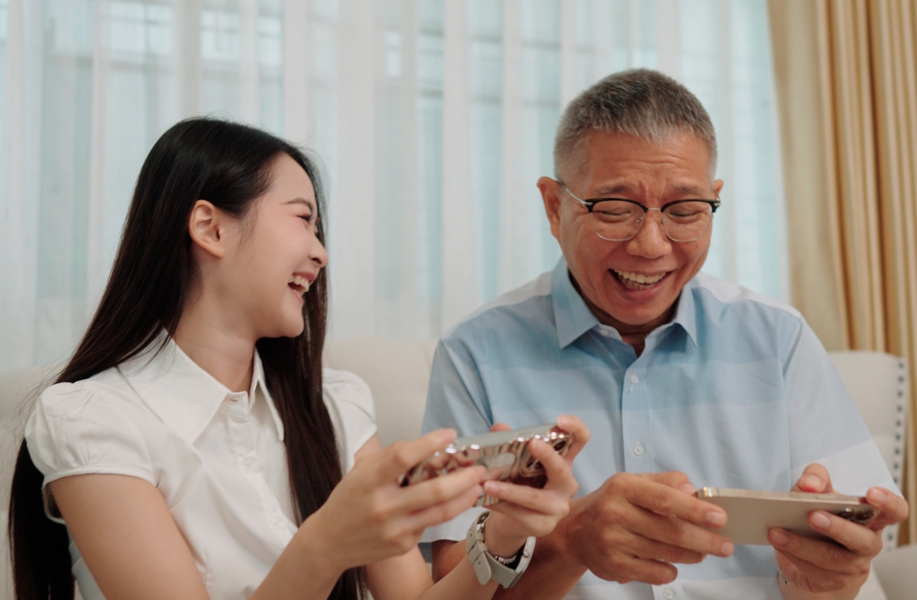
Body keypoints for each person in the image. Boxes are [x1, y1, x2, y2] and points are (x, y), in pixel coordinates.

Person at [7, 118, 590, 600]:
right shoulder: (89, 418)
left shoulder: (336, 404)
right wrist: (327, 543)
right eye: (303, 219)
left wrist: (502, 535)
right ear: (210, 227)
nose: (321, 253)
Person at [421, 69, 909, 600]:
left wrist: (824, 573)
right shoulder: (474, 354)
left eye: (684, 210)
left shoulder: (778, 339)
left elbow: (844, 564)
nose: (652, 245)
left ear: (713, 200)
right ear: (555, 207)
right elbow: (449, 581)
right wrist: (570, 543)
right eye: (615, 210)